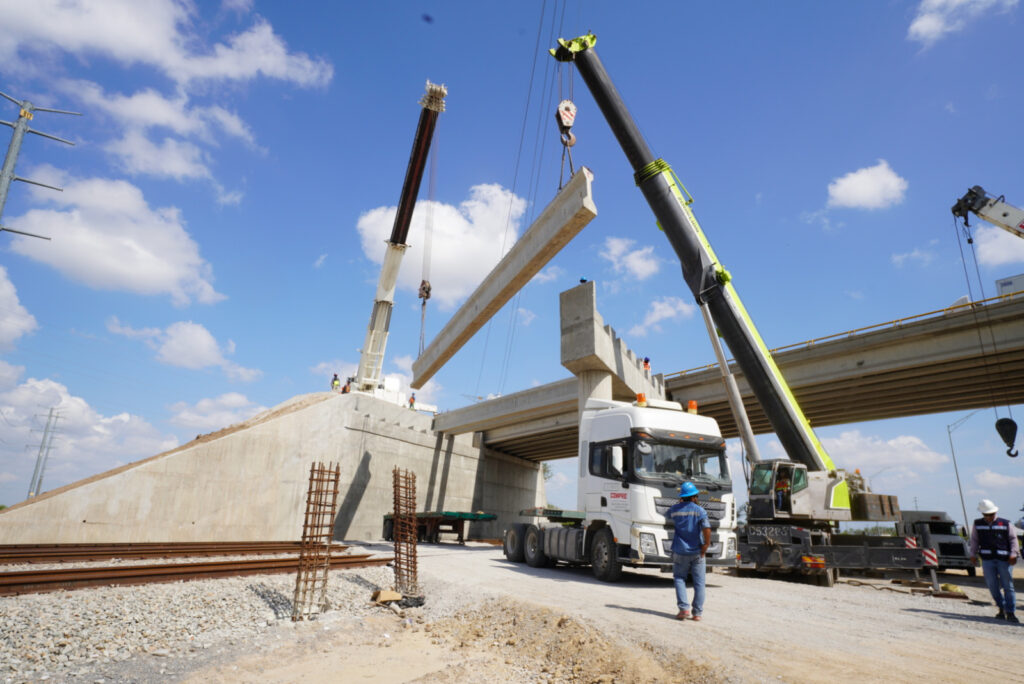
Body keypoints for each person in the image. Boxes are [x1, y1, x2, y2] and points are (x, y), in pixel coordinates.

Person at [666, 481, 711, 621]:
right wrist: (706, 545)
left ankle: (684, 609)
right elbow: (707, 528)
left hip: (680, 550)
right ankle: (697, 613)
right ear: (693, 497)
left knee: (679, 578)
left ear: (682, 497)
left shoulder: (674, 509)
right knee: (699, 583)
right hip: (698, 551)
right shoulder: (700, 511)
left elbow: (666, 516)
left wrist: (679, 503)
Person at [969, 499, 1020, 622]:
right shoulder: (977, 524)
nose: (988, 517)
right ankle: (1001, 608)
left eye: (990, 514)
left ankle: (1011, 612)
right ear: (982, 514)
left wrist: (1014, 554)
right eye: (986, 515)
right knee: (993, 586)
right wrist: (972, 554)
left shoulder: (1005, 524)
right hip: (987, 560)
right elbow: (975, 540)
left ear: (995, 512)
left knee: (1008, 586)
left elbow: (1013, 540)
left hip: (1004, 560)